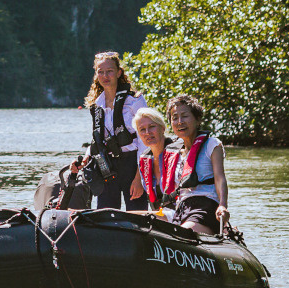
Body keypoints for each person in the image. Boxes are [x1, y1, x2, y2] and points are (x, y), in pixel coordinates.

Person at [85, 51, 149, 211]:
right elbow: (98, 139)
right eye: (101, 72)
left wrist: (140, 178)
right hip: (108, 166)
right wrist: (85, 158)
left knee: (137, 214)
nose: (105, 76)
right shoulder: (96, 105)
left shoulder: (135, 100)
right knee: (105, 215)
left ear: (119, 72)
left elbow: (145, 141)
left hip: (132, 163)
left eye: (109, 71)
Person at [163, 94, 230, 234]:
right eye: (175, 118)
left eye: (185, 116)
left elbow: (219, 178)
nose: (180, 121)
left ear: (197, 119)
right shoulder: (173, 152)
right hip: (181, 209)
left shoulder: (211, 145)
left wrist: (223, 205)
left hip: (205, 206)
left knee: (181, 233)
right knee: (141, 219)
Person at [131, 106, 172, 214]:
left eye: (152, 126)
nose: (147, 132)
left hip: (181, 215)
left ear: (163, 128)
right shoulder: (144, 160)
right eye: (142, 130)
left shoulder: (178, 152)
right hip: (160, 217)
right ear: (139, 135)